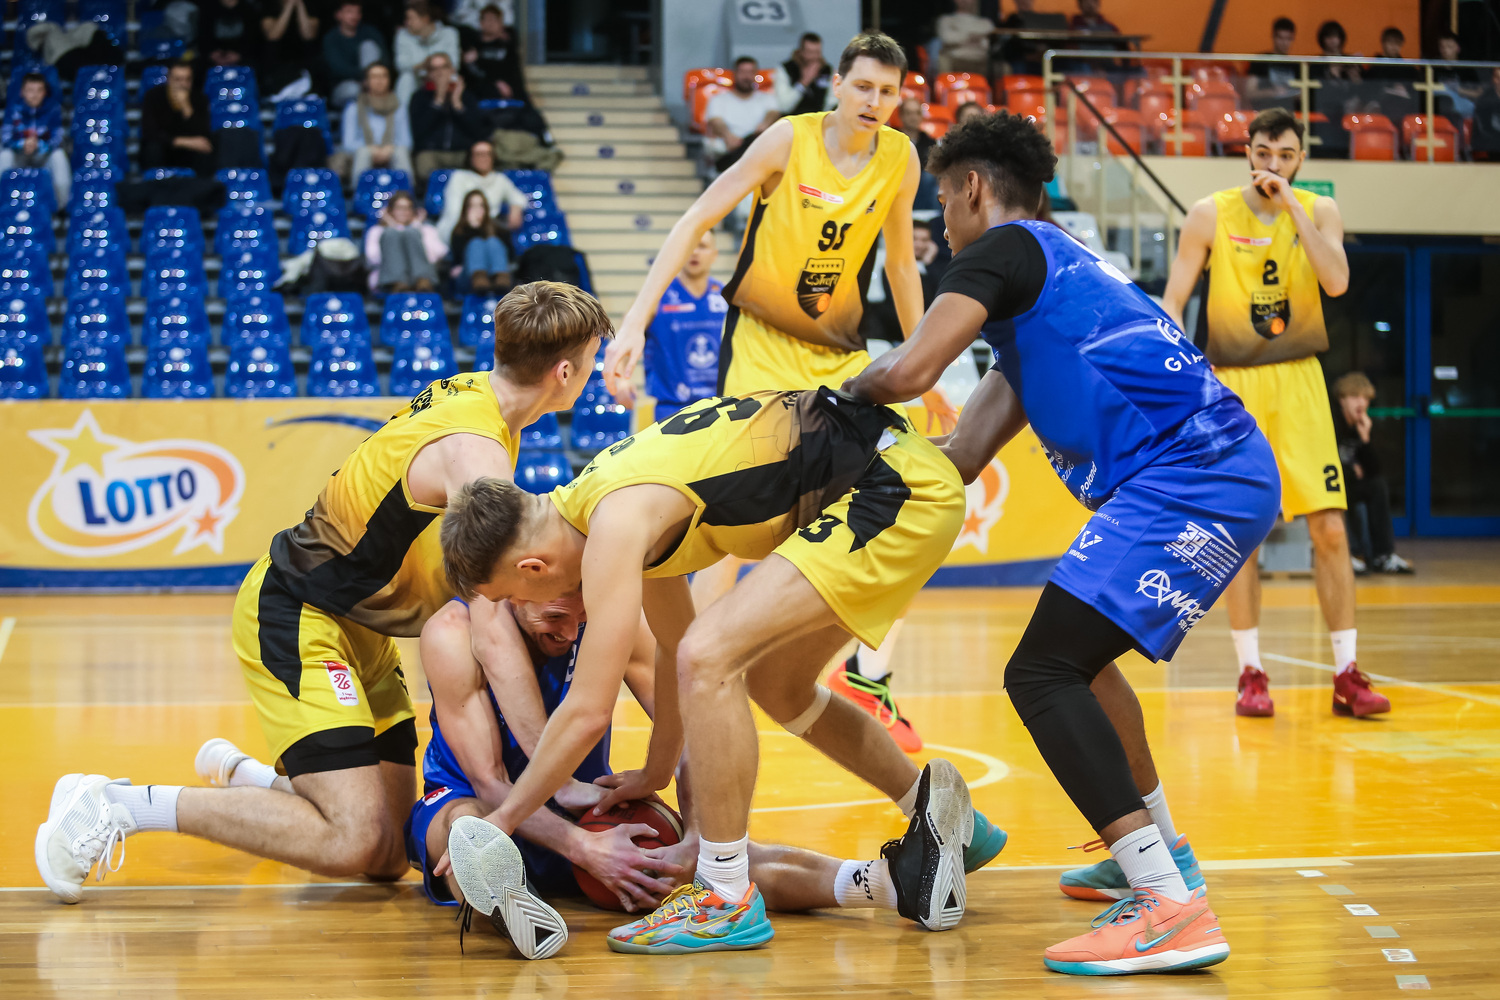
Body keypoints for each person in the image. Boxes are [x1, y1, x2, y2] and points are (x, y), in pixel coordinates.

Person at [846, 109, 1276, 976]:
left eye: (942, 200)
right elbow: (962, 455)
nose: (940, 222)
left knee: (1040, 672)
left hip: (1193, 474)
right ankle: (1160, 853)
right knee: (1085, 662)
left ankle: (1166, 905)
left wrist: (828, 408)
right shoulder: (1045, 289)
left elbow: (908, 370)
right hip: (1214, 471)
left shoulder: (1000, 250)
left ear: (973, 188)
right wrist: (869, 476)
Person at [34, 283, 612, 907]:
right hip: (300, 611)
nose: (593, 375)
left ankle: (256, 781)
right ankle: (115, 805)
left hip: (363, 628)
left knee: (389, 851)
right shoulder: (478, 455)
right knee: (353, 839)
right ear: (564, 372)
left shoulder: (476, 398)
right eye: (592, 361)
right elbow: (490, 622)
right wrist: (556, 776)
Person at [433, 386, 1009, 955]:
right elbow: (670, 645)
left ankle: (725, 896)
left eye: (512, 596)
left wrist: (505, 818)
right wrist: (656, 769)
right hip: (890, 477)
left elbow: (588, 710)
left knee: (710, 656)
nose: (521, 609)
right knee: (769, 681)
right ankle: (944, 819)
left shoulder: (612, 524)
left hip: (891, 486)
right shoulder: (605, 499)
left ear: (533, 567)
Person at [602, 32, 956, 750]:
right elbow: (696, 219)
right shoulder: (787, 141)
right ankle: (694, 669)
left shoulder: (900, 157)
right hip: (760, 352)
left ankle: (869, 674)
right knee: (734, 528)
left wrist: (925, 365)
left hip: (840, 359)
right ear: (836, 84)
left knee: (909, 496)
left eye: (888, 92)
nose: (875, 102)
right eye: (863, 87)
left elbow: (900, 265)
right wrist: (634, 321)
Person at [405, 594, 984, 958]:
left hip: (589, 811)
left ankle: (895, 883)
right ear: (515, 584)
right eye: (554, 615)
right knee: (468, 830)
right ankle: (516, 910)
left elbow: (694, 735)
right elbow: (491, 783)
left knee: (719, 870)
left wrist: (701, 841)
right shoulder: (453, 633)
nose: (571, 627)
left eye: (579, 609)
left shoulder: (608, 622)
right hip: (484, 804)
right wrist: (584, 849)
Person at [1161, 107, 1389, 720]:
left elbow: (1336, 282)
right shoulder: (1209, 213)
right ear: (1248, 153)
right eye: (1263, 153)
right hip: (1233, 386)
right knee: (1243, 537)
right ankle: (1251, 673)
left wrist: (1291, 206)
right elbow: (1174, 299)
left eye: (1285, 156)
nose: (1273, 165)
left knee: (1330, 528)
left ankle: (1347, 673)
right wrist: (1182, 374)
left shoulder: (1318, 210)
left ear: (1300, 160)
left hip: (1301, 381)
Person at [1333, 372, 1412, 575]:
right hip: (1331, 484)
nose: (1361, 403)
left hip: (1350, 483)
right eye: (1355, 397)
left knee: (1377, 486)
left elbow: (1374, 470)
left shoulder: (1361, 425)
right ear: (1342, 400)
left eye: (1366, 398)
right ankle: (1348, 554)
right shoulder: (1331, 423)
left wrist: (1366, 438)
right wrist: (1352, 469)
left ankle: (1382, 556)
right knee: (1345, 485)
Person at [642, 231, 725, 423]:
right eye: (690, 246)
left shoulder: (727, 297)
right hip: (671, 411)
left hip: (720, 407)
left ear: (714, 255)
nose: (694, 252)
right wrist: (622, 379)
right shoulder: (655, 296)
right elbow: (626, 337)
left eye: (702, 246)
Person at [410, 53, 486, 185]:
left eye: (444, 67)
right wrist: (438, 101)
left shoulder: (467, 96)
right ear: (428, 74)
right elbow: (419, 132)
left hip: (462, 152)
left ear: (452, 70)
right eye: (434, 69)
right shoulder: (420, 97)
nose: (440, 72)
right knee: (425, 166)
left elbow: (477, 131)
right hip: (431, 152)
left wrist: (457, 104)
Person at [434, 139, 527, 243]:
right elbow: (454, 210)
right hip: (461, 228)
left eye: (488, 154)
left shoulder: (499, 179)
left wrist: (516, 208)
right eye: (479, 154)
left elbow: (518, 197)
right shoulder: (459, 177)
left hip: (488, 230)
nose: (483, 158)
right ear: (471, 158)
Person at [0, 73, 70, 207]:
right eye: (30, 90)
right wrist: (22, 144)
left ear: (45, 92)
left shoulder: (54, 109)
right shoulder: (13, 109)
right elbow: (5, 138)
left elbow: (58, 138)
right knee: (4, 155)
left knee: (59, 155)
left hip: (43, 156)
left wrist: (39, 145)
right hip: (19, 155)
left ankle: (62, 208)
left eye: (39, 90)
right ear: (22, 92)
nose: (35, 95)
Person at [703, 56, 782, 174]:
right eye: (742, 72)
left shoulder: (767, 98)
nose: (746, 77)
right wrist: (728, 136)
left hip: (757, 148)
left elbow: (773, 113)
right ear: (734, 74)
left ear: (756, 74)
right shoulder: (719, 100)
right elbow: (716, 121)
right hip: (730, 149)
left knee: (755, 143)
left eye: (750, 72)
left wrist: (765, 125)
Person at [336, 62, 413, 181]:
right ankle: (360, 190)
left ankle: (405, 191)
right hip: (361, 153)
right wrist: (372, 150)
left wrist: (388, 149)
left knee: (401, 152)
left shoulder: (399, 107)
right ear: (366, 82)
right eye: (374, 77)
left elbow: (407, 142)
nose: (379, 81)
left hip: (391, 151)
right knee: (363, 153)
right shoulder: (354, 108)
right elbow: (348, 143)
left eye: (383, 76)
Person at [140, 61, 215, 175]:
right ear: (169, 79)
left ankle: (201, 185)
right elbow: (149, 132)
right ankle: (154, 181)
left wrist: (187, 108)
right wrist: (180, 141)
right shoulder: (153, 96)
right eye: (178, 79)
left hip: (189, 152)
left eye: (187, 79)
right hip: (164, 147)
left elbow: (203, 133)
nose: (183, 84)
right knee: (152, 148)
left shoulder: (200, 98)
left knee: (205, 149)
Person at [365, 190, 445, 292]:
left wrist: (416, 228)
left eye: (408, 208)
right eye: (399, 208)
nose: (404, 212)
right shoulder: (378, 231)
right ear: (390, 210)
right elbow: (373, 259)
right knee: (391, 234)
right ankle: (399, 283)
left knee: (411, 233)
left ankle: (421, 282)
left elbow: (435, 256)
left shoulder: (426, 229)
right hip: (389, 280)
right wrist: (395, 227)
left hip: (422, 282)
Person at [324, 1, 390, 108]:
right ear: (338, 15)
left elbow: (385, 59)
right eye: (349, 12)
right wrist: (365, 79)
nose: (354, 16)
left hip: (373, 84)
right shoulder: (331, 38)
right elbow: (338, 68)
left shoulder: (370, 32)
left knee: (368, 46)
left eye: (358, 12)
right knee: (353, 89)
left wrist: (371, 80)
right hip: (344, 86)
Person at [396, 0, 460, 106]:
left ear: (425, 19)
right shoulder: (403, 35)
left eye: (411, 18)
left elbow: (454, 64)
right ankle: (404, 114)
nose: (407, 23)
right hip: (417, 78)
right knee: (406, 78)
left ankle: (452, 110)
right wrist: (427, 65)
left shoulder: (449, 33)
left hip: (442, 75)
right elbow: (401, 64)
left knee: (453, 77)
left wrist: (431, 68)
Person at [462, 4, 530, 104]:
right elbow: (472, 75)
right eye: (487, 20)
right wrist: (494, 82)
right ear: (481, 23)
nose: (491, 23)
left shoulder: (508, 45)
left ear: (501, 23)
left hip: (510, 92)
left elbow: (513, 71)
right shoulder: (473, 46)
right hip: (482, 94)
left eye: (494, 20)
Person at [447, 189, 511, 293]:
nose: (477, 210)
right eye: (472, 206)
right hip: (468, 278)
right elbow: (458, 259)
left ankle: (500, 278)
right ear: (465, 209)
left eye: (480, 205)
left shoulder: (499, 229)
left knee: (493, 241)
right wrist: (472, 229)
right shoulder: (459, 231)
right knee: (476, 242)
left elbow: (510, 255)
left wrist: (488, 231)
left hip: (499, 277)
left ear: (486, 208)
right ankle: (479, 278)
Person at [260, 0, 321, 97]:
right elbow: (273, 36)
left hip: (302, 59)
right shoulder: (269, 5)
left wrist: (300, 6)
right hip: (278, 59)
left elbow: (309, 36)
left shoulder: (310, 5)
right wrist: (289, 7)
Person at [1245, 17, 1299, 109]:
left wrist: (1294, 94)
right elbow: (1250, 92)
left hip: (1289, 112)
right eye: (1281, 38)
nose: (1284, 43)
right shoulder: (1261, 60)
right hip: (1266, 111)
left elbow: (1302, 93)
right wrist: (1272, 93)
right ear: (1273, 37)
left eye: (1288, 39)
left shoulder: (1296, 64)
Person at [775, 32, 833, 116]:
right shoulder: (786, 69)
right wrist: (803, 82)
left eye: (817, 52)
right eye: (810, 52)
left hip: (818, 119)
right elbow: (784, 106)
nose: (813, 57)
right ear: (801, 52)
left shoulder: (827, 70)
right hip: (793, 120)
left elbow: (831, 102)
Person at [199, 0, 264, 71]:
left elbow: (253, 40)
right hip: (213, 58)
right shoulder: (208, 8)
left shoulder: (249, 10)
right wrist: (212, 54)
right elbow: (202, 37)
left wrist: (239, 55)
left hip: (242, 58)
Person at [1433, 32, 1482, 120]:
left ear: (1458, 48)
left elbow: (1479, 93)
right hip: (1439, 111)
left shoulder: (1466, 68)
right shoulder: (1433, 67)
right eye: (1442, 47)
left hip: (1462, 112)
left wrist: (1459, 90)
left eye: (1449, 47)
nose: (1445, 50)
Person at [937, 0, 995, 75]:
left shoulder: (985, 23)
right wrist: (972, 37)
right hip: (954, 60)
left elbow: (986, 44)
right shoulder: (946, 20)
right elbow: (947, 39)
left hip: (980, 62)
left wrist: (961, 36)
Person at [1473, 67, 1500, 159]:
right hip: (1491, 147)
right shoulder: (1484, 101)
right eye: (1498, 78)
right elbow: (1485, 129)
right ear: (1494, 80)